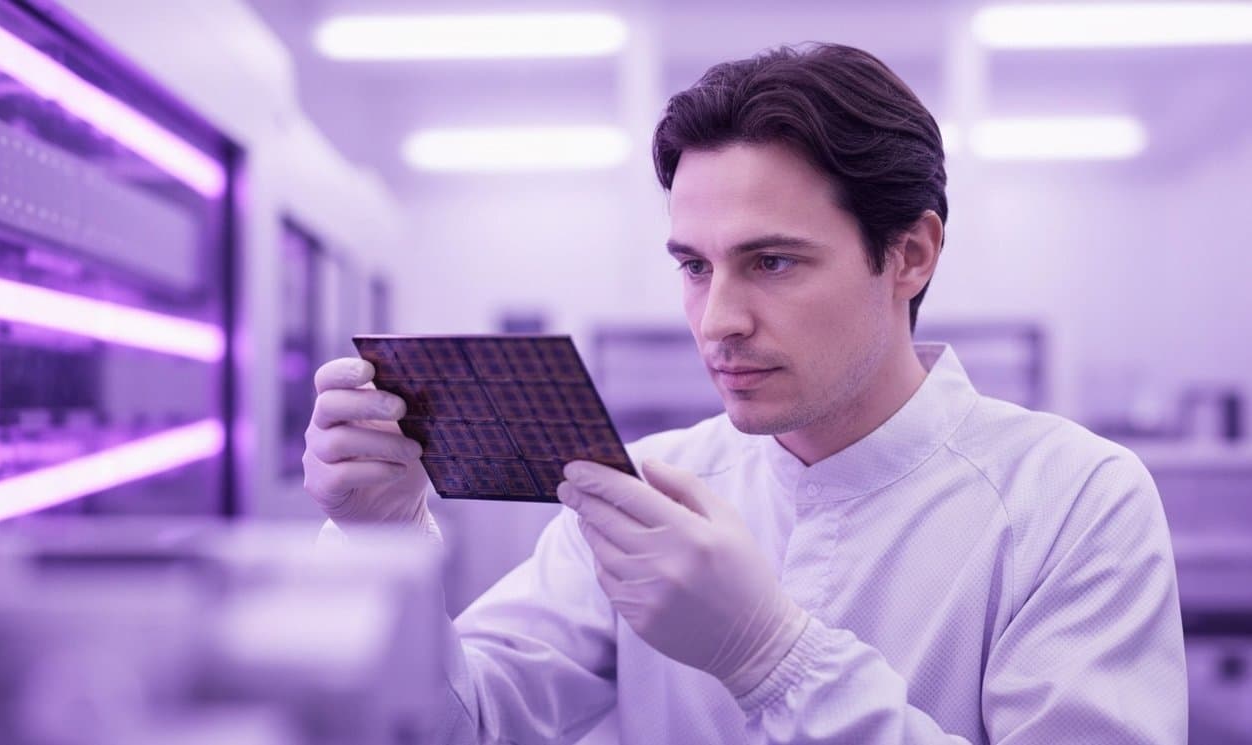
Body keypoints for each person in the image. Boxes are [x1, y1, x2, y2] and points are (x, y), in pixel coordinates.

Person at [303, 43, 1187, 744]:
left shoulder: (1075, 499)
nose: (717, 319)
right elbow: (469, 725)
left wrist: (771, 655)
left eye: (771, 261)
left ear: (911, 254)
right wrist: (384, 545)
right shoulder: (648, 488)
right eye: (694, 266)